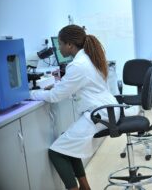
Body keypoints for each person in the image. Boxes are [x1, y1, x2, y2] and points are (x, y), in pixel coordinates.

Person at [30, 25, 134, 189]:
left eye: (60, 44)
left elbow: (55, 96)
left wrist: (30, 94)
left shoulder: (78, 65)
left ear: (70, 45)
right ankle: (86, 188)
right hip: (107, 110)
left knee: (56, 152)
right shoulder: (88, 59)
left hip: (100, 114)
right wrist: (60, 87)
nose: (59, 48)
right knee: (68, 146)